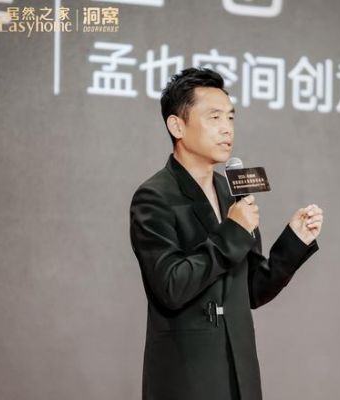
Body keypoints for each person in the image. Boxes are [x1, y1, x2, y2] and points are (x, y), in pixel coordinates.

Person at [129, 67, 323, 400]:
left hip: (240, 377)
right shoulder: (154, 197)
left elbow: (251, 290)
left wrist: (294, 241)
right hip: (188, 379)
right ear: (177, 126)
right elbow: (171, 286)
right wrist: (232, 231)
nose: (227, 129)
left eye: (231, 118)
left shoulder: (230, 192)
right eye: (214, 117)